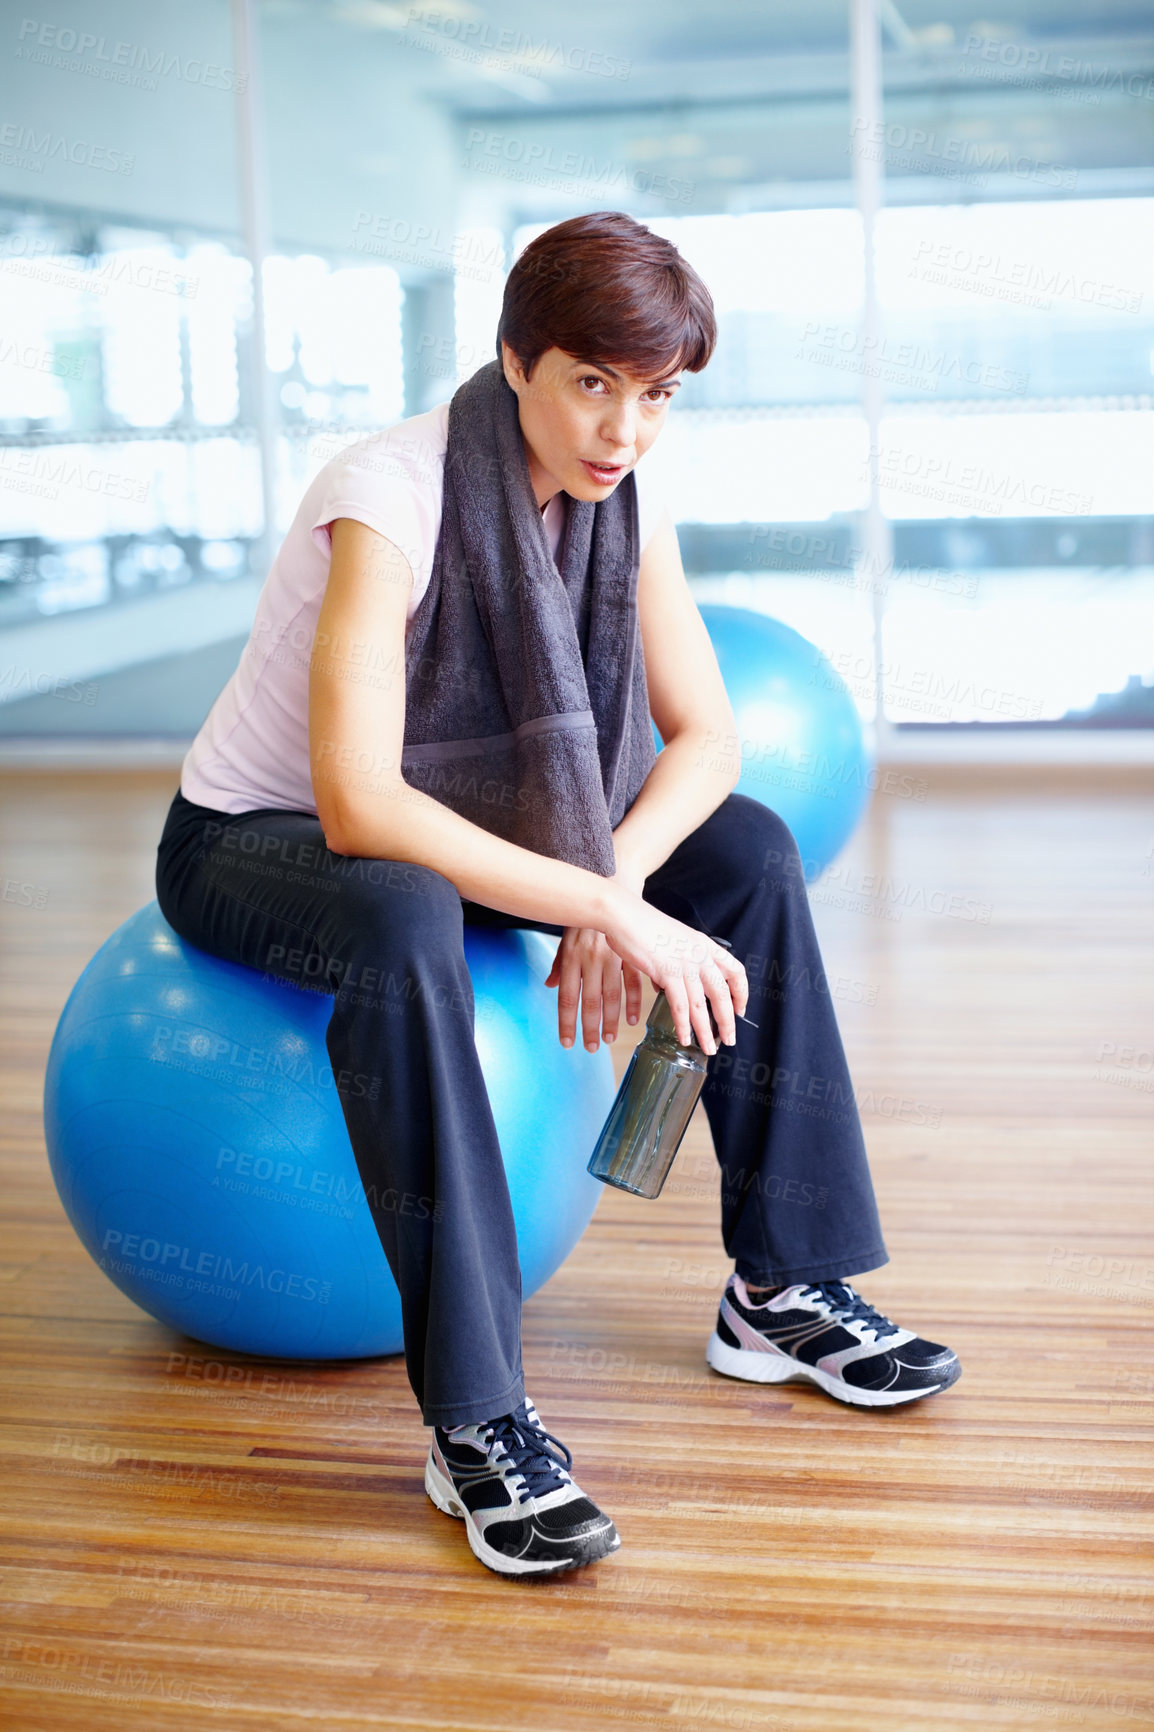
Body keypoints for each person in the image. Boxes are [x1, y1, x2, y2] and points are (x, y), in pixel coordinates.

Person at [155, 208, 960, 1582]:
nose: (622, 430)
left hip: (479, 834)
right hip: (258, 840)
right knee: (405, 908)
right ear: (517, 361)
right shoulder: (387, 494)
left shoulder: (620, 499)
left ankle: (776, 1287)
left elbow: (708, 738)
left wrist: (619, 882)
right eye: (592, 382)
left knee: (750, 851)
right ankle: (476, 1419)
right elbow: (358, 806)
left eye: (656, 396)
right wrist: (600, 911)